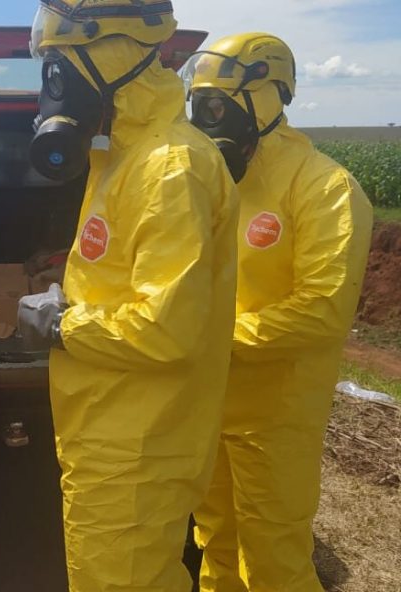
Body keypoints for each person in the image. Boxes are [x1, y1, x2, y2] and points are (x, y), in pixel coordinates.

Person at [17, 2, 239, 590]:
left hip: (140, 447)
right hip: (110, 434)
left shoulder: (170, 168)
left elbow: (165, 328)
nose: (52, 86)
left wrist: (62, 325)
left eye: (58, 66)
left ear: (112, 52)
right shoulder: (123, 156)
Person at [182, 33, 373, 591]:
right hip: (210, 401)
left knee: (273, 553)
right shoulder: (216, 185)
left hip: (277, 415)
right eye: (200, 106)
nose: (208, 119)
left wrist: (212, 338)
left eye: (219, 106)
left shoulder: (326, 189)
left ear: (268, 97)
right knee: (213, 538)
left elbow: (321, 311)